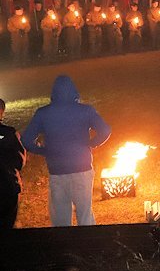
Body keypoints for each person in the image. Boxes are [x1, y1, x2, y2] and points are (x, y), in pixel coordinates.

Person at [21, 75, 112, 226]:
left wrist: (44, 151)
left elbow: (26, 139)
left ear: (54, 93)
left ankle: (64, 248)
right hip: (82, 169)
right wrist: (91, 144)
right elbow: (105, 130)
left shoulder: (43, 113)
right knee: (85, 216)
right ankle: (89, 246)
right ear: (74, 91)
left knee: (61, 221)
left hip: (57, 171)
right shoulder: (86, 111)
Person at [0, 99, 26, 229]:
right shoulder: (9, 133)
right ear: (1, 113)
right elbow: (19, 161)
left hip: (8, 186)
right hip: (8, 187)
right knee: (8, 228)